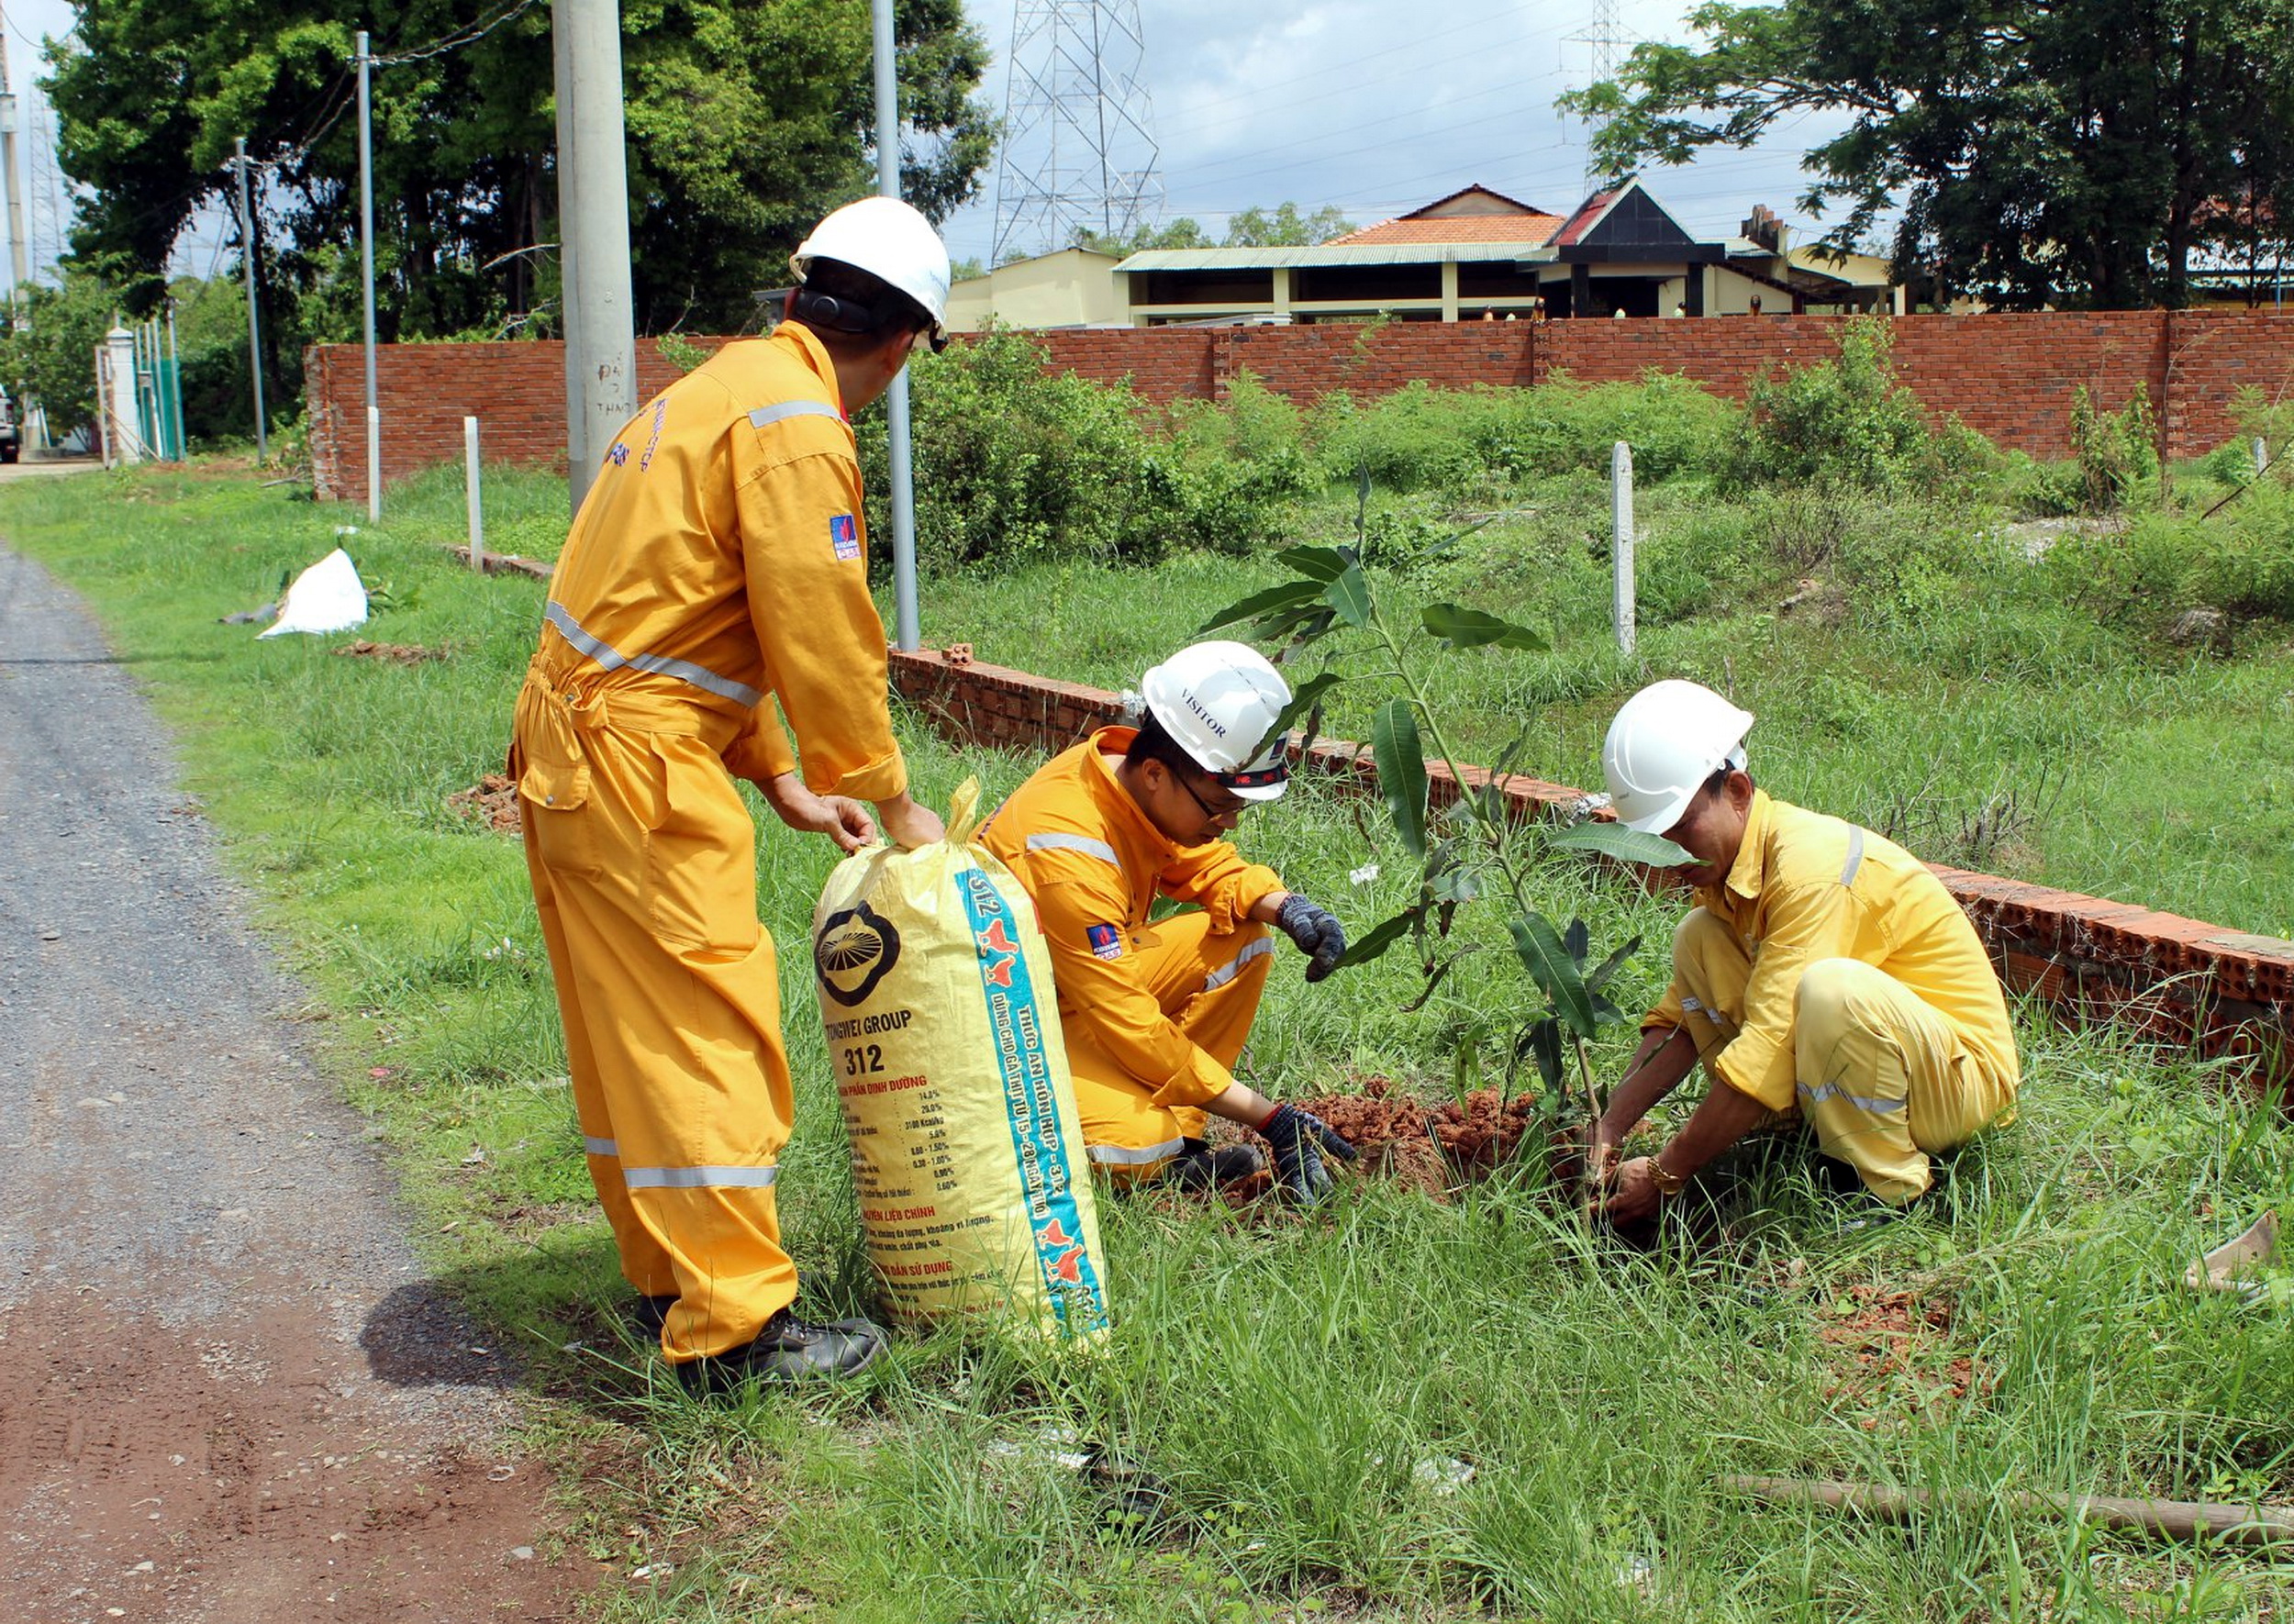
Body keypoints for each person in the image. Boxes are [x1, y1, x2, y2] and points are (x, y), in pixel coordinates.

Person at [511, 196, 951, 1390]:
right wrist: (886, 792)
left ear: (805, 291)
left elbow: (692, 614)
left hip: (576, 744)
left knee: (631, 1034)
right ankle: (736, 1335)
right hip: (636, 758)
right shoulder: (800, 420)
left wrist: (782, 777)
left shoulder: (712, 390)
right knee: (711, 1030)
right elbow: (816, 621)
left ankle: (672, 1277)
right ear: (906, 340)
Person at [1590, 680, 2021, 1224]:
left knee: (1829, 992)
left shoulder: (1811, 872)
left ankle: (1889, 1195)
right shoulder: (1729, 878)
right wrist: (1608, 1127)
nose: (1667, 855)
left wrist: (1666, 1174)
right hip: (1896, 1070)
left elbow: (1771, 1042)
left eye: (1681, 829)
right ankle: (1795, 1145)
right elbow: (1679, 1023)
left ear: (1739, 792)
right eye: (1654, 837)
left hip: (1959, 1084)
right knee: (1696, 937)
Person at [982, 642, 1357, 1203]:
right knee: (1138, 1140)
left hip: (1068, 988)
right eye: (1219, 806)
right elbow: (1131, 1025)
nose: (1228, 823)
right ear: (1157, 771)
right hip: (1008, 1032)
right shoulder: (1068, 855)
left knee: (1245, 941)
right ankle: (1157, 1146)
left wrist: (1282, 906)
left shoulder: (1123, 781)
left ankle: (1184, 1140)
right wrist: (1270, 1117)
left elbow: (1195, 859)